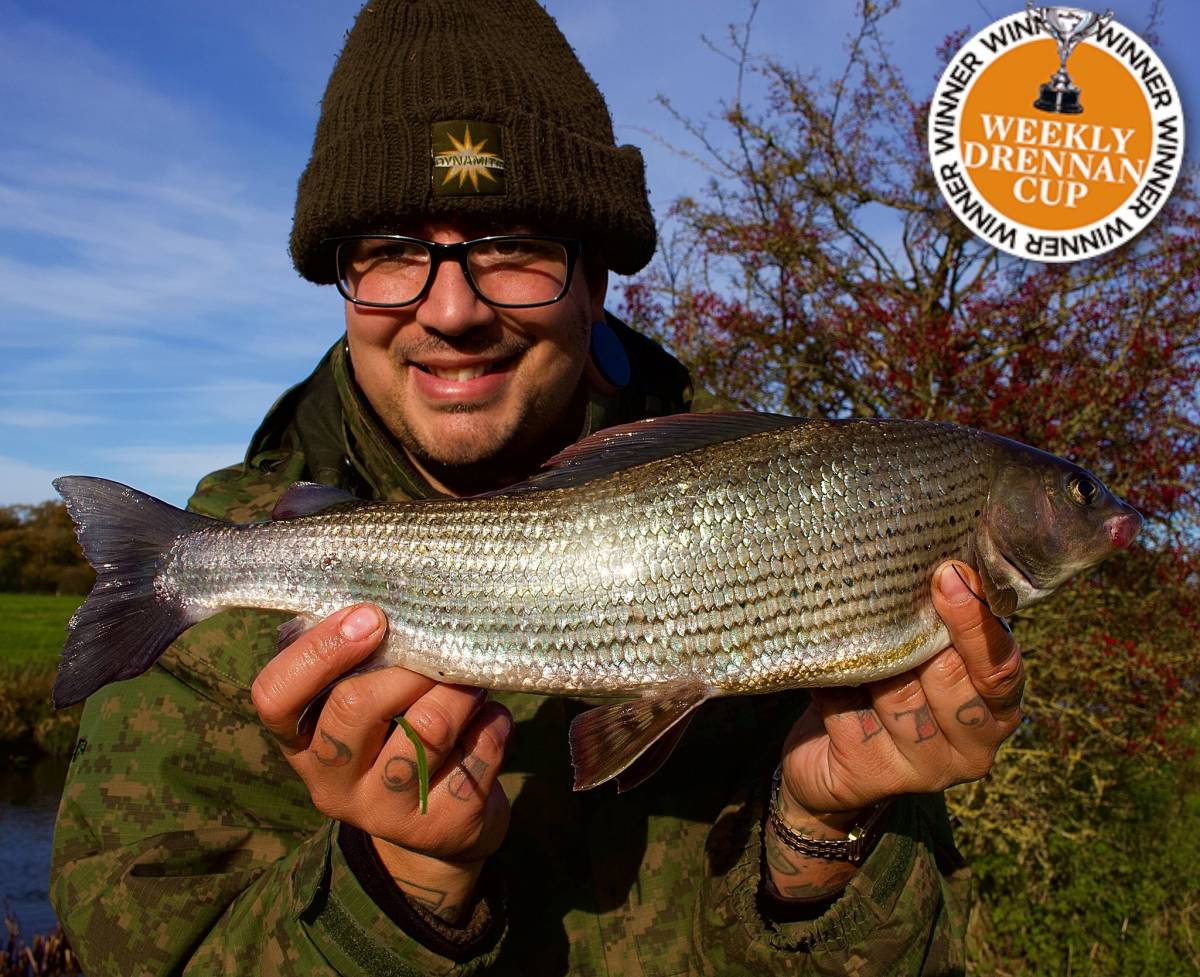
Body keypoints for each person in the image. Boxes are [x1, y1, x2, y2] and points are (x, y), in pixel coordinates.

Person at [50, 1, 1024, 974]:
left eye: (513, 245)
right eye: (392, 250)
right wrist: (399, 886)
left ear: (595, 280)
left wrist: (822, 835)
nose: (451, 309)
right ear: (339, 280)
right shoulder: (205, 612)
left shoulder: (806, 515)